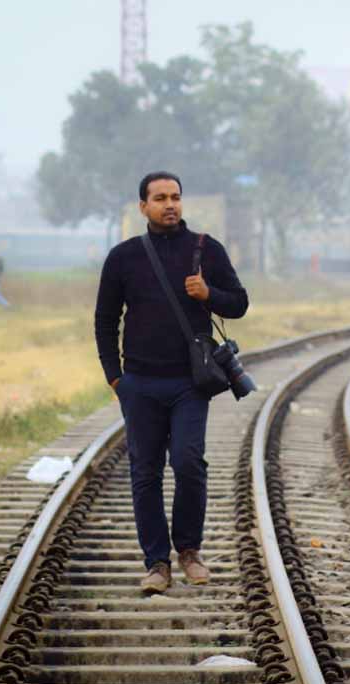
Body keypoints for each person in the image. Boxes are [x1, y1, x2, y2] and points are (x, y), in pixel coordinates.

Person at [94, 171, 249, 593]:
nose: (170, 204)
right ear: (142, 206)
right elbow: (106, 321)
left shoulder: (205, 249)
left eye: (176, 197)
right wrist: (115, 378)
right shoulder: (123, 257)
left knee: (188, 462)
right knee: (145, 473)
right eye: (160, 198)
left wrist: (208, 295)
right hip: (139, 383)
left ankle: (189, 551)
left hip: (189, 383)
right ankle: (156, 564)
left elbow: (240, 303)